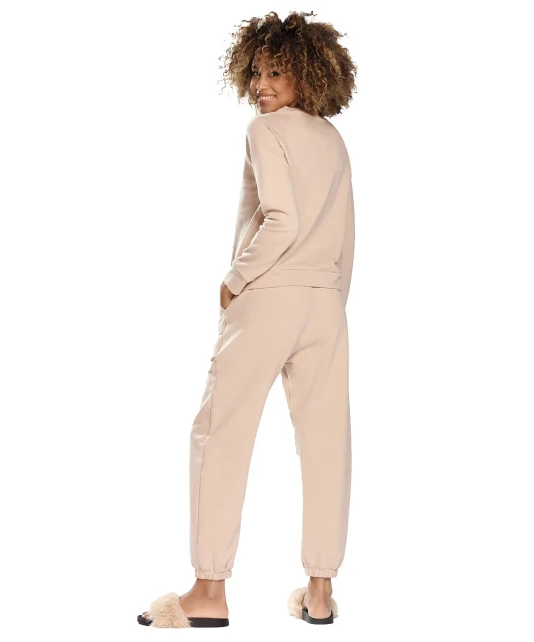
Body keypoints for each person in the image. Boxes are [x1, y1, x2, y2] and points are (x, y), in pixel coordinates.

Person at [138, 10, 357, 627]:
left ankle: (208, 591)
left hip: (268, 297)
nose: (262, 84)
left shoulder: (266, 130)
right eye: (258, 72)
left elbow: (280, 220)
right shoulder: (333, 140)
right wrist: (331, 301)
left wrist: (234, 281)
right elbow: (346, 238)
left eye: (277, 72)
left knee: (220, 434)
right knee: (326, 445)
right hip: (326, 303)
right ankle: (320, 591)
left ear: (308, 74)